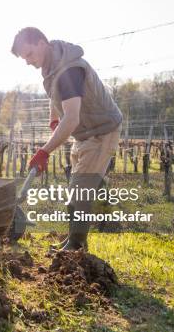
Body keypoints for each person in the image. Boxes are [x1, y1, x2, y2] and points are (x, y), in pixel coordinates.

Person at [11, 27, 123, 251]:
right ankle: (74, 241)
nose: (28, 62)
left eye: (29, 54)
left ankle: (76, 246)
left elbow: (71, 118)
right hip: (84, 133)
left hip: (101, 130)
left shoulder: (70, 70)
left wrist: (44, 151)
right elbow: (56, 98)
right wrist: (54, 121)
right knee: (76, 189)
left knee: (80, 192)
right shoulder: (52, 67)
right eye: (24, 58)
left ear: (42, 43)